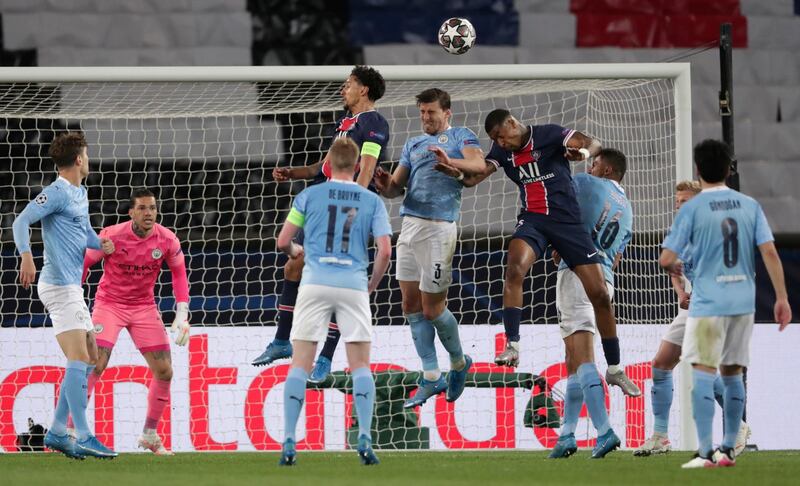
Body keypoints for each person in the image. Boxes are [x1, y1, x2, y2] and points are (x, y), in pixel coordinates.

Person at [444, 109, 640, 396]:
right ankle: (512, 344)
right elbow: (475, 178)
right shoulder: (501, 151)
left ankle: (614, 369)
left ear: (512, 123)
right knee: (514, 268)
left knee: (599, 294)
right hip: (534, 220)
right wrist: (454, 171)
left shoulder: (548, 135)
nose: (500, 142)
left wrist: (583, 154)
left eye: (501, 135)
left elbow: (594, 143)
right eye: (494, 139)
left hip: (567, 223)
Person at [253, 65, 390, 383]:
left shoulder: (373, 122)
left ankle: (325, 358)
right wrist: (294, 172)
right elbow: (325, 167)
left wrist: (355, 201)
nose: (344, 89)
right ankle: (282, 341)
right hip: (326, 203)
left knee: (337, 282)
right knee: (293, 266)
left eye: (349, 84)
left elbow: (367, 166)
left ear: (364, 90)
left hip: (349, 210)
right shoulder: (344, 124)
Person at [659, 139, 791, 469]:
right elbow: (770, 253)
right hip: (742, 301)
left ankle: (706, 452)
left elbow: (667, 258)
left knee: (702, 373)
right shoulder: (749, 205)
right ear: (729, 170)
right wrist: (782, 298)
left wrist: (671, 263)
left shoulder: (692, 209)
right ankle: (729, 448)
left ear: (699, 170)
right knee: (732, 373)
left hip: (708, 301)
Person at [277, 137, 392, 466]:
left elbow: (283, 240)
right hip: (353, 285)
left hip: (314, 283)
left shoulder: (309, 195)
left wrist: (295, 251)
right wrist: (370, 285)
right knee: (360, 366)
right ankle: (366, 438)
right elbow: (385, 250)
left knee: (299, 363)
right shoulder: (370, 200)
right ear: (357, 166)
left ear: (328, 163)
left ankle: (288, 439)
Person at [374, 88, 486, 408]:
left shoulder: (462, 137)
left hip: (439, 230)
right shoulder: (413, 144)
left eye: (431, 112)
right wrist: (386, 185)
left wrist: (450, 161)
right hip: (409, 227)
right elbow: (397, 187)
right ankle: (431, 376)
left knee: (432, 309)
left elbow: (478, 164)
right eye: (422, 112)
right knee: (410, 305)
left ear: (447, 113)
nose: (426, 118)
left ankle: (459, 362)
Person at [11, 132, 117, 459]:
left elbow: (83, 232)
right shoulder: (56, 192)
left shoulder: (80, 193)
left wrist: (101, 243)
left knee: (91, 354)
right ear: (79, 159)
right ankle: (83, 434)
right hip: (57, 285)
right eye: (87, 153)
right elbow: (21, 220)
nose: (89, 158)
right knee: (80, 357)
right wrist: (26, 255)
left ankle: (57, 431)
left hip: (72, 286)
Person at [635, 180, 750, 457]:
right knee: (661, 364)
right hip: (693, 305)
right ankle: (661, 437)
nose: (679, 207)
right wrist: (680, 292)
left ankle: (738, 428)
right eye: (677, 203)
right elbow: (673, 268)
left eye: (684, 202)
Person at [81, 188, 190, 455]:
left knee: (165, 371)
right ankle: (73, 430)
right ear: (131, 212)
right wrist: (77, 302)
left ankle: (150, 435)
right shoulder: (111, 235)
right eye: (142, 208)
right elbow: (83, 264)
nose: (148, 213)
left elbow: (179, 273)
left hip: (143, 307)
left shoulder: (167, 240)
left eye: (152, 208)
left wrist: (182, 313)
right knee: (95, 363)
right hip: (110, 304)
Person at [547, 149, 632, 459]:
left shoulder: (586, 183)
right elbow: (618, 256)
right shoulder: (628, 208)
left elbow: (558, 207)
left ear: (607, 169)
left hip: (577, 274)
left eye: (594, 163)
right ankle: (567, 434)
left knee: (583, 358)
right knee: (573, 358)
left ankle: (604, 430)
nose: (589, 166)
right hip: (605, 280)